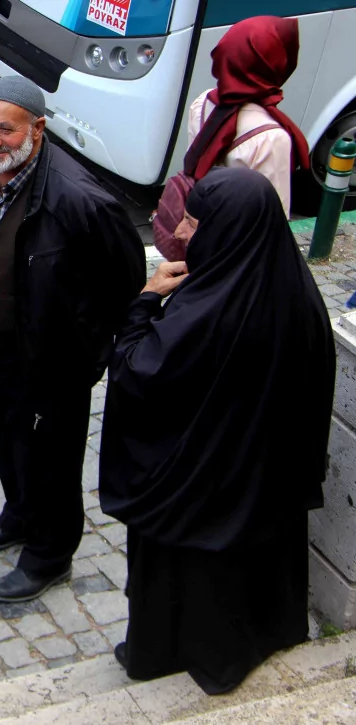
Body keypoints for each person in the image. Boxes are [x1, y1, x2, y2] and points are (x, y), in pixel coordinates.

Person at [99, 168, 335, 695]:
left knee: (190, 580)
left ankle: (163, 652)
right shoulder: (296, 292)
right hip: (263, 484)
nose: (181, 231)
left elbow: (138, 372)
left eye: (195, 221)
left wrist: (143, 302)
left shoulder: (204, 309)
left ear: (227, 232)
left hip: (197, 492)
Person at [0, 75, 145, 603]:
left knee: (51, 461)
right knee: (1, 433)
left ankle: (50, 554)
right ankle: (19, 514)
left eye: (6, 130)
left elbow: (127, 282)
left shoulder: (80, 201)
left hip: (53, 363)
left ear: (37, 130)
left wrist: (88, 355)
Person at [185, 16, 309, 217]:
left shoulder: (202, 102)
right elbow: (273, 218)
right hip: (233, 240)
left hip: (196, 223)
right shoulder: (271, 138)